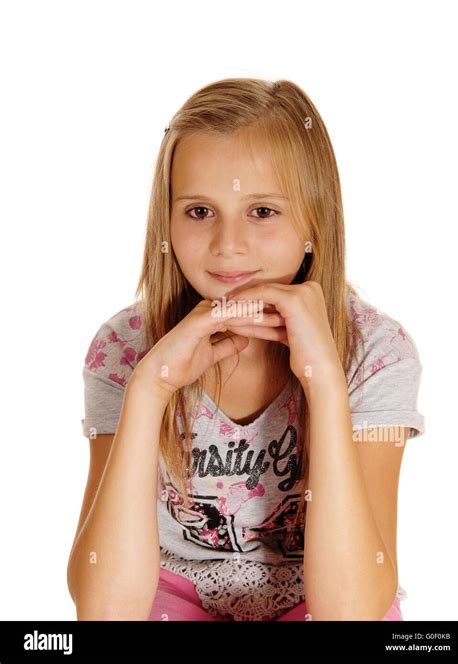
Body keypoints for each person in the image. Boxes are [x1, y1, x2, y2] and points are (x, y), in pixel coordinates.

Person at [67, 77, 425, 621]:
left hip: (318, 594)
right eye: (198, 211)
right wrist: (151, 386)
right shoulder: (124, 348)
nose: (228, 245)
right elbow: (105, 611)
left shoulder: (375, 353)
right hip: (170, 596)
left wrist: (324, 379)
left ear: (314, 221)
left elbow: (352, 613)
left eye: (262, 212)